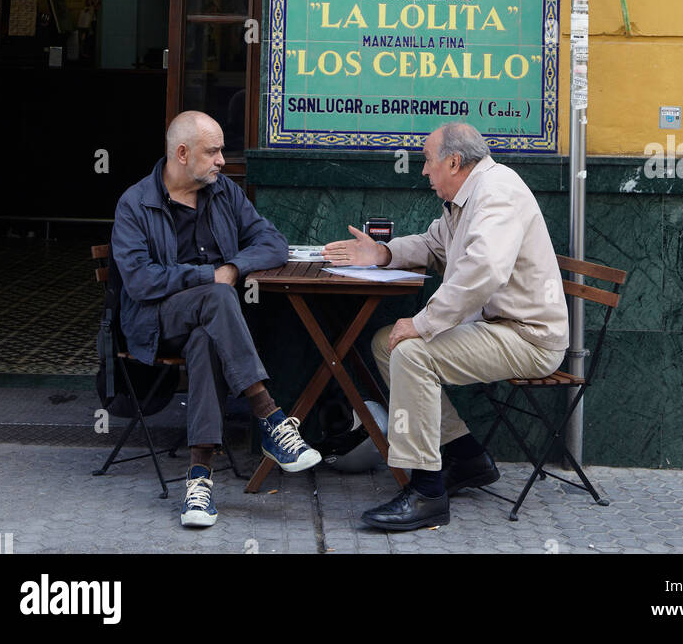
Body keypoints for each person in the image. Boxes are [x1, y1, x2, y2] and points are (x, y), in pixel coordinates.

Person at [323, 122, 569, 531]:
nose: (423, 171)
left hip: (529, 337)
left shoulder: (497, 193)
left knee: (413, 352)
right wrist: (382, 253)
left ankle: (427, 492)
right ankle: (465, 455)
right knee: (387, 343)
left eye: (427, 161)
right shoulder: (465, 197)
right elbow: (434, 245)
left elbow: (483, 270)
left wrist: (423, 323)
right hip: (499, 328)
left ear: (453, 162)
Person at [111, 110, 321, 529]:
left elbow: (273, 242)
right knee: (216, 295)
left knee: (207, 337)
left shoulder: (222, 191)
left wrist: (234, 267)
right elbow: (140, 282)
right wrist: (212, 276)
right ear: (183, 153)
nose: (223, 160)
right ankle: (270, 417)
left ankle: (199, 480)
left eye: (222, 150)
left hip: (211, 323)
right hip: (156, 322)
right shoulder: (135, 204)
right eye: (214, 151)